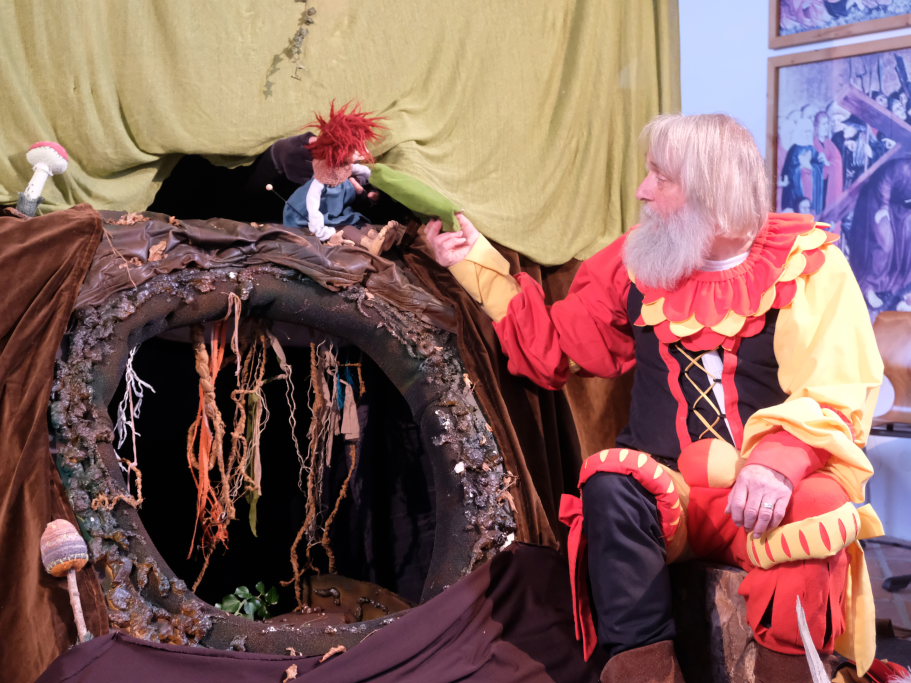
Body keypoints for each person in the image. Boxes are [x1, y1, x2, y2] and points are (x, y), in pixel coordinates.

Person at [424, 113, 884, 682]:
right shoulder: (636, 260)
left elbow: (836, 386)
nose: (643, 191)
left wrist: (775, 465)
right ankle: (645, 671)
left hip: (765, 496)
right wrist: (474, 261)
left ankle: (786, 673)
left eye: (661, 178)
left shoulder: (806, 265)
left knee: (818, 503)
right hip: (674, 497)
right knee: (610, 483)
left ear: (713, 193)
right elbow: (555, 348)